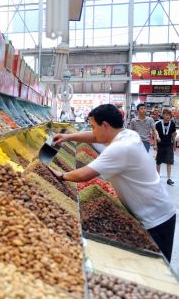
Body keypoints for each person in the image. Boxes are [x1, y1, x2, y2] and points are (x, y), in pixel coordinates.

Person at [49, 104, 176, 262]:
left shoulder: (120, 148)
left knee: (158, 268)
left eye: (93, 126)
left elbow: (85, 174)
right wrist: (68, 137)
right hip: (157, 208)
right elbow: (95, 137)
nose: (92, 130)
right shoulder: (128, 134)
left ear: (105, 125)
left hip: (156, 219)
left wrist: (61, 175)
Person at [154, 108, 177, 185]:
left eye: (169, 115)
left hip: (169, 145)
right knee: (158, 161)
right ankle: (157, 176)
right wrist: (155, 145)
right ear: (163, 115)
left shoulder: (173, 124)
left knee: (169, 161)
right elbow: (155, 135)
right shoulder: (158, 123)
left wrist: (174, 144)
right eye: (166, 114)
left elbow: (173, 135)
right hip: (160, 145)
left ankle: (169, 178)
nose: (167, 116)